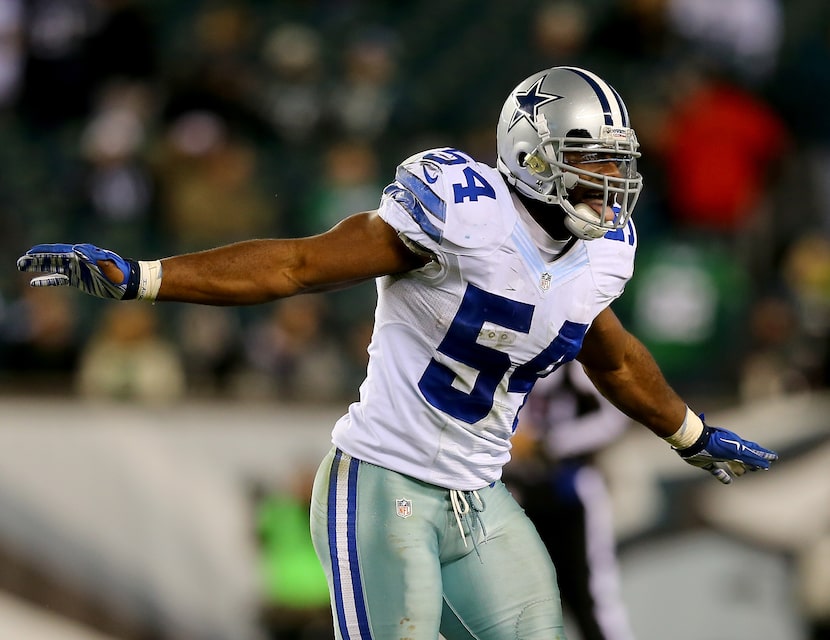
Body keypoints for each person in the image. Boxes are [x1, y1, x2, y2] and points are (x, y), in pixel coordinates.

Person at [17, 66, 778, 640]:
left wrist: (692, 435)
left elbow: (609, 353)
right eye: (591, 158)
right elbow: (299, 265)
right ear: (532, 153)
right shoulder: (462, 210)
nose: (611, 182)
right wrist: (145, 278)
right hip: (384, 486)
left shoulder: (604, 251)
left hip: (480, 497)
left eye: (618, 162)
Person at [503, 361, 635, 640]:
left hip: (575, 492)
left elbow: (617, 414)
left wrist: (551, 443)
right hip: (524, 495)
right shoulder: (510, 361)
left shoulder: (574, 367)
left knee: (592, 594)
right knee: (532, 601)